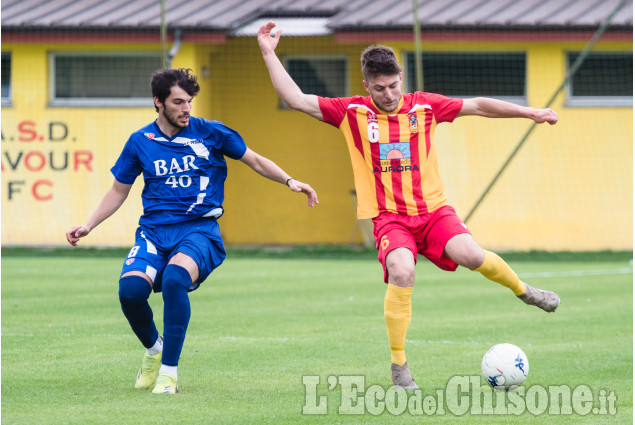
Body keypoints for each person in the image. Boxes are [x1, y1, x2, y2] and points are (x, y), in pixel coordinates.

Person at [257, 21, 559, 390]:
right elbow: (296, 99)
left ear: (401, 77)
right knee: (402, 271)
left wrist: (531, 112)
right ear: (367, 85)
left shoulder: (425, 107)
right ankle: (399, 368)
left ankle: (524, 291)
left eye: (393, 85)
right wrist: (269, 52)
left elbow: (478, 105)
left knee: (472, 256)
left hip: (433, 211)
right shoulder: (351, 112)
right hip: (389, 218)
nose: (388, 94)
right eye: (379, 88)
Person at [65, 68, 318, 394]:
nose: (187, 109)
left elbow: (254, 160)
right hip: (154, 233)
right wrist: (88, 225)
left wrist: (289, 180)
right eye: (178, 102)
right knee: (129, 293)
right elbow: (118, 190)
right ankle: (155, 350)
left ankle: (169, 372)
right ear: (158, 102)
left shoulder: (212, 133)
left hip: (200, 231)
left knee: (173, 280)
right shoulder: (140, 141)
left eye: (190, 102)